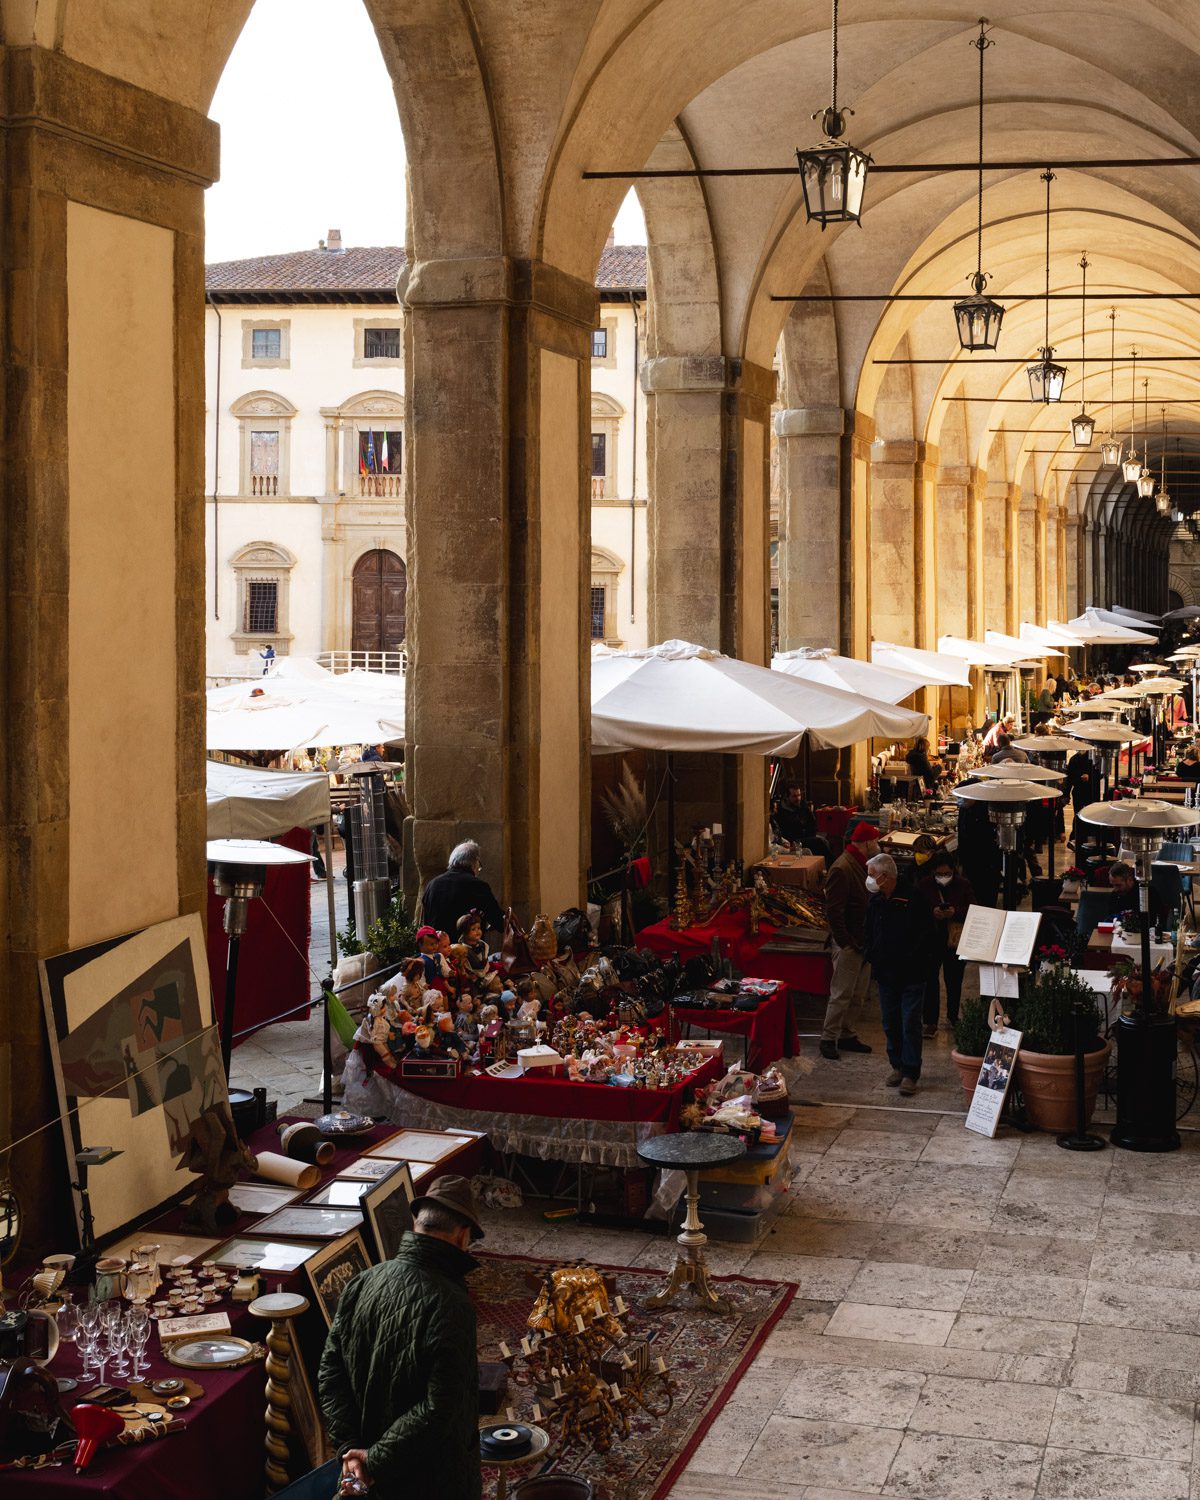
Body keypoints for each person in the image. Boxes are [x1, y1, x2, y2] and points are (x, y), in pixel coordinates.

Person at [319, 1174, 483, 1500]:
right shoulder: (454, 1305)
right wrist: (375, 1459)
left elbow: (329, 1372)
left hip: (365, 1470)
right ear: (463, 1236)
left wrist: (352, 1449)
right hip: (430, 1479)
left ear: (415, 1222)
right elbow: (440, 1408)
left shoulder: (363, 1282)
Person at [862, 853, 937, 1096]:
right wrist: (871, 954)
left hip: (912, 973)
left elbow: (926, 934)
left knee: (910, 1023)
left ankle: (910, 1072)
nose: (870, 880)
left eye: (872, 875)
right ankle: (897, 1065)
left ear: (885, 876)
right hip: (886, 974)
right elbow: (870, 930)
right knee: (890, 1022)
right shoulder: (876, 901)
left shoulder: (913, 898)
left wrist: (914, 959)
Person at [817, 822, 878, 1061]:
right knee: (841, 994)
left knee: (857, 994)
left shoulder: (862, 865)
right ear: (864, 842)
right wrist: (845, 942)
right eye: (875, 841)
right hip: (850, 943)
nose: (878, 844)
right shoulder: (842, 868)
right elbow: (833, 911)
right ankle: (828, 1038)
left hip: (863, 942)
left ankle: (847, 1034)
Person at [918, 851, 974, 1036]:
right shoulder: (924, 885)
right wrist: (931, 912)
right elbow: (915, 909)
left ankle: (952, 1016)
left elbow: (973, 910)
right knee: (930, 980)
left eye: (947, 873)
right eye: (939, 874)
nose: (943, 877)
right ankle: (930, 1021)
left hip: (954, 941)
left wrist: (955, 912)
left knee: (954, 979)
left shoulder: (963, 885)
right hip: (931, 940)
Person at [420, 840, 504, 937]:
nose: (478, 870)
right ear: (474, 863)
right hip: (462, 950)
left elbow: (426, 924)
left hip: (436, 948)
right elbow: (498, 920)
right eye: (479, 866)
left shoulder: (432, 884)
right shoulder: (477, 885)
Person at [770, 786, 831, 860]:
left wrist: (811, 834)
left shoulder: (802, 805)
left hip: (807, 836)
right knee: (820, 842)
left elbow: (813, 822)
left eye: (799, 795)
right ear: (787, 797)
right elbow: (784, 831)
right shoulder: (781, 812)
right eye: (794, 796)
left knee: (825, 840)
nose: (798, 798)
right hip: (794, 840)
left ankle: (825, 866)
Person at [1107, 860, 1167, 928]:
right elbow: (1111, 921)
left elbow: (1157, 920)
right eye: (1113, 885)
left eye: (1118, 885)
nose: (1115, 889)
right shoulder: (1114, 895)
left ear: (1129, 880)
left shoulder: (1148, 893)